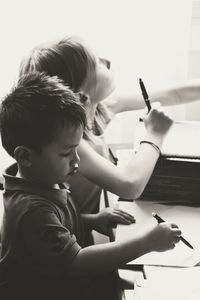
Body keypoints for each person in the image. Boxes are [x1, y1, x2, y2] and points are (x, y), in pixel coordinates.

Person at [0, 72, 181, 300]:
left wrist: (91, 220)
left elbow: (53, 229)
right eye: (66, 153)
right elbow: (76, 263)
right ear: (25, 156)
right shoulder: (31, 208)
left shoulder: (38, 179)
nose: (76, 160)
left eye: (77, 149)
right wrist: (147, 242)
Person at [19, 37, 176, 222]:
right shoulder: (71, 145)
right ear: (81, 94)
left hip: (79, 223)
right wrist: (155, 134)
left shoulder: (98, 107)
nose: (107, 62)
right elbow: (130, 185)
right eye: (97, 64)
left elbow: (174, 94)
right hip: (65, 240)